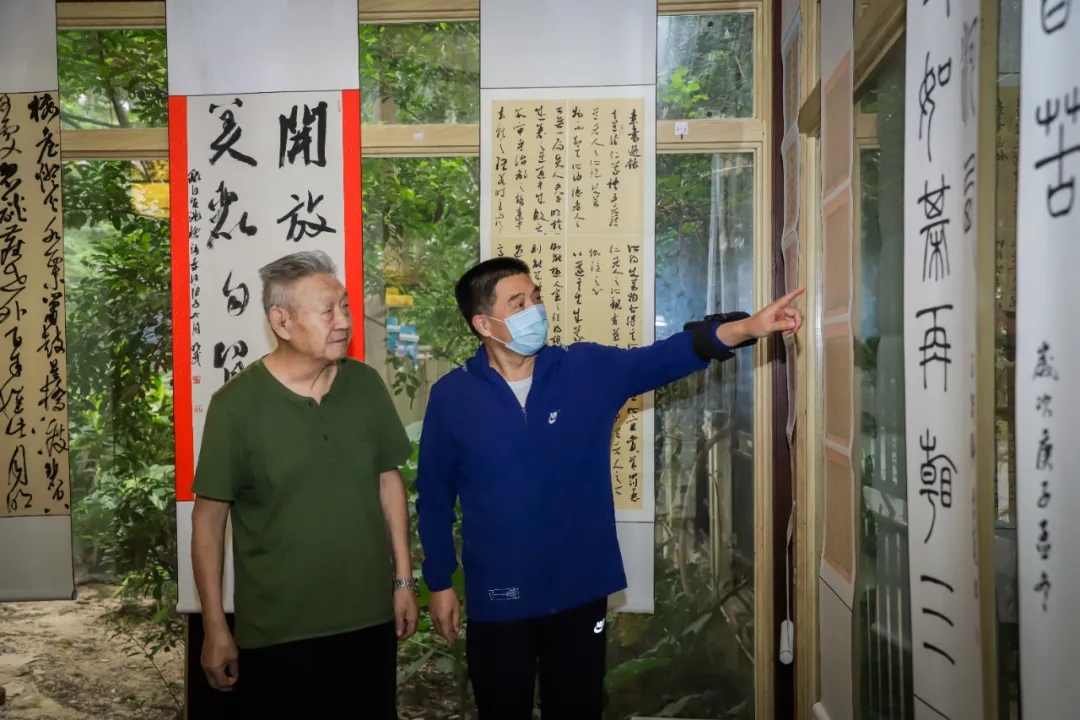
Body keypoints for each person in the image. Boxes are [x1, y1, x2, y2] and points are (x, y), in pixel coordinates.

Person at [416, 257, 803, 719]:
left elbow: (662, 358)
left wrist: (746, 328)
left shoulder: (584, 369)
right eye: (517, 304)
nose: (534, 310)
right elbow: (434, 498)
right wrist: (439, 581)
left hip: (580, 589)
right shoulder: (452, 397)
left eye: (535, 298)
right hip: (499, 595)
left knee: (578, 708)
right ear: (484, 323)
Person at [190, 250, 418, 718]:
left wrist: (403, 579)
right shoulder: (236, 406)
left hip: (368, 620)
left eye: (345, 307)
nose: (343, 321)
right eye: (327, 311)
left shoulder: (366, 385)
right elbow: (208, 522)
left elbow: (387, 481)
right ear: (282, 321)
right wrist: (215, 625)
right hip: (279, 634)